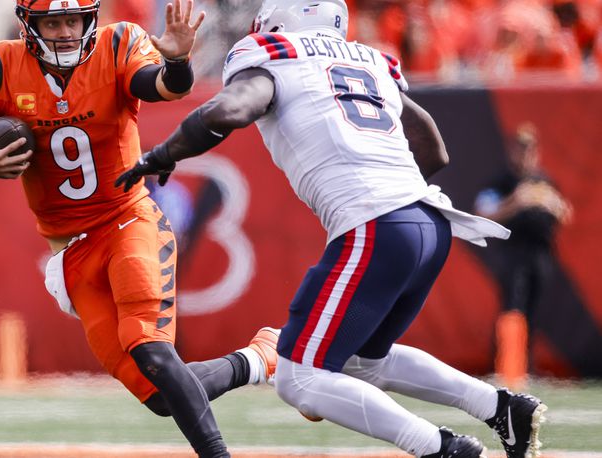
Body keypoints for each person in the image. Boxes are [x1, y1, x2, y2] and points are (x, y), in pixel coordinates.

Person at [115, 1, 548, 457]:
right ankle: (501, 407)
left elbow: (229, 111)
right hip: (430, 221)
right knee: (363, 361)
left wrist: (163, 154)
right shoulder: (368, 59)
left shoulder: (273, 53)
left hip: (378, 222)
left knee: (299, 376)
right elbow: (434, 149)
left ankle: (440, 448)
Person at [0, 1, 277, 456]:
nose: (67, 31)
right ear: (28, 26)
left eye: (74, 20)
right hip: (70, 249)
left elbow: (163, 88)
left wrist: (175, 60)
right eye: (54, 22)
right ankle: (258, 359)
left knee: (148, 349)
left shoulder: (118, 43)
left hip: (127, 219)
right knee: (159, 396)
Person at [475, 123, 572, 390]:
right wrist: (516, 202)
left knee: (533, 311)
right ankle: (507, 369)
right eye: (520, 149)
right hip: (512, 253)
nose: (525, 155)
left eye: (529, 149)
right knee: (512, 309)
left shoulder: (545, 180)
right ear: (511, 151)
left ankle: (525, 369)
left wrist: (553, 204)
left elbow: (565, 213)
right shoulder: (502, 182)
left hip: (540, 254)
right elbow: (483, 212)